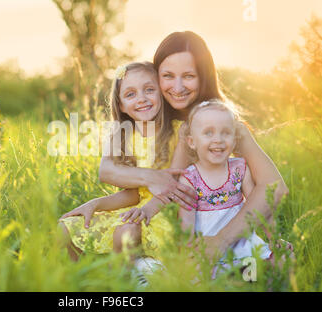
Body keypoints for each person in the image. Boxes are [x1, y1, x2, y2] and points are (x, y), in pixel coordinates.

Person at [99, 31, 289, 261]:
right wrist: (149, 178)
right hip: (163, 229)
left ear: (203, 77)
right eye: (167, 75)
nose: (177, 87)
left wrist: (223, 240)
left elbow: (274, 187)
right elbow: (109, 169)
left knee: (280, 264)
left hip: (215, 233)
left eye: (188, 76)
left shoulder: (224, 125)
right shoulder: (149, 120)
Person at [58, 62, 184, 262]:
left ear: (161, 92)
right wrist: (95, 204)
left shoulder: (179, 131)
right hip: (136, 209)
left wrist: (144, 211)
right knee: (65, 227)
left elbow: (173, 187)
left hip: (166, 211)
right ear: (121, 105)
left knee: (126, 233)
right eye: (130, 94)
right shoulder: (124, 136)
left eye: (149, 90)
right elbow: (133, 194)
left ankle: (120, 283)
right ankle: (83, 281)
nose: (142, 98)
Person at [178, 100, 272, 277]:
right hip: (209, 252)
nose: (218, 140)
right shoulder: (190, 178)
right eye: (208, 133)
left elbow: (261, 209)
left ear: (235, 139)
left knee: (267, 271)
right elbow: (186, 227)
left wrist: (273, 238)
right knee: (203, 279)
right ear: (192, 141)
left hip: (243, 247)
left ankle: (251, 282)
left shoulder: (240, 168)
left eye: (226, 133)